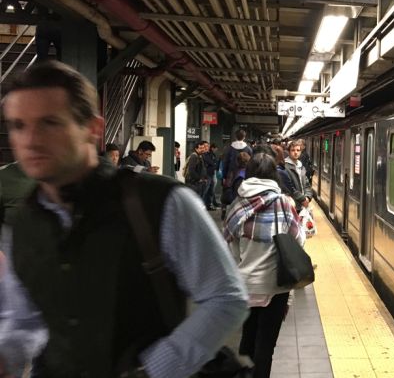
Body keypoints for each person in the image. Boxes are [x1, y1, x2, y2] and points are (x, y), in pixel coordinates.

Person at [0, 60, 248, 378]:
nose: (31, 140)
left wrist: (152, 370)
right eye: (18, 125)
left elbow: (225, 297)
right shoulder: (24, 223)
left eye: (50, 123)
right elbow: (24, 320)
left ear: (93, 128)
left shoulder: (159, 203)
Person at [223, 153, 304, 378]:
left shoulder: (237, 204)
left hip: (246, 284)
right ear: (273, 175)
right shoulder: (284, 203)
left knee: (247, 339)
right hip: (275, 285)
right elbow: (298, 240)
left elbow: (231, 247)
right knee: (265, 346)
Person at [283, 141, 313, 213]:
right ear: (289, 152)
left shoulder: (301, 166)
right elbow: (289, 188)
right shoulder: (285, 167)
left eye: (298, 150)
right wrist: (303, 199)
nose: (296, 152)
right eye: (293, 150)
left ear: (300, 152)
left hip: (303, 205)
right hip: (292, 206)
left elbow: (307, 184)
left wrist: (308, 197)